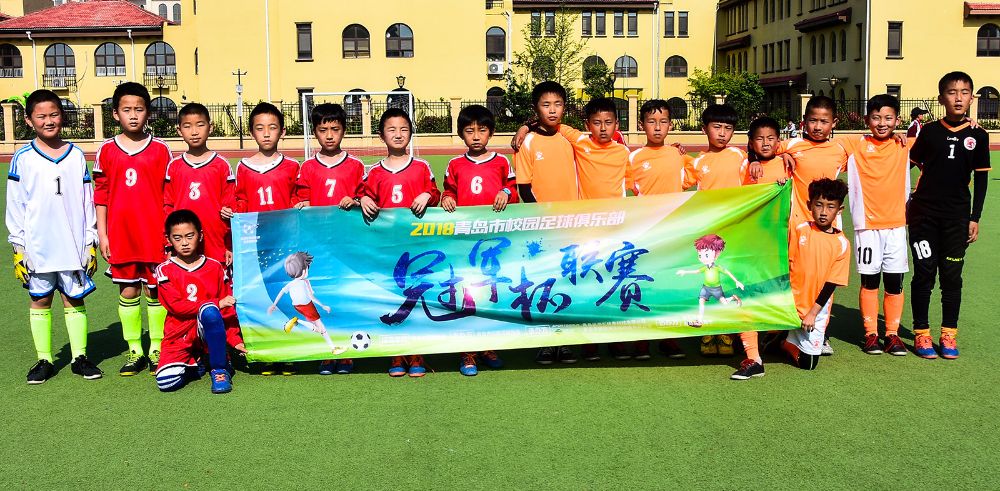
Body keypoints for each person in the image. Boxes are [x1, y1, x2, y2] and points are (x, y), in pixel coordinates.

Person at [7, 89, 103, 384]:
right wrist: (19, 246)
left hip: (72, 243)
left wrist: (90, 240)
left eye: (54, 115)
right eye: (41, 116)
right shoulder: (22, 158)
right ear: (28, 120)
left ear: (62, 116)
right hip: (38, 244)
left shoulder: (75, 155)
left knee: (73, 298)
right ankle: (44, 359)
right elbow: (15, 204)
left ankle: (79, 357)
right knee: (40, 299)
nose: (48, 121)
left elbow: (87, 201)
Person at [907, 71, 990, 359]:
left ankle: (948, 334)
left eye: (964, 92)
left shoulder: (978, 135)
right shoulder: (929, 132)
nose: (958, 98)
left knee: (952, 277)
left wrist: (975, 217)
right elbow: (906, 166)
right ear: (941, 98)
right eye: (952, 92)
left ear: (971, 98)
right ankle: (921, 333)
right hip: (923, 217)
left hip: (957, 219)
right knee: (924, 273)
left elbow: (981, 179)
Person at [94, 82, 172, 376]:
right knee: (128, 290)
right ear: (116, 114)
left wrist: (169, 236)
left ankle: (156, 348)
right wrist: (103, 235)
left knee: (155, 291)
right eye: (127, 110)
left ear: (148, 113)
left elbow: (169, 196)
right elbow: (101, 196)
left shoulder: (161, 149)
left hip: (154, 235)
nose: (133, 115)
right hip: (121, 235)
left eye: (139, 109)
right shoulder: (106, 150)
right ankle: (134, 350)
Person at [359, 108, 441, 377]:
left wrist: (428, 196)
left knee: (416, 296)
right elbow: (363, 195)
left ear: (411, 133)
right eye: (391, 129)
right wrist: (364, 199)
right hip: (387, 248)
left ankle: (417, 354)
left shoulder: (421, 167)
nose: (398, 134)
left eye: (404, 129)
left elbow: (436, 193)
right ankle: (396, 353)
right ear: (381, 135)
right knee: (391, 297)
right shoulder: (374, 172)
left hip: (417, 246)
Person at [220, 102, 300, 376]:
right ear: (252, 132)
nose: (266, 133)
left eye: (272, 128)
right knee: (260, 298)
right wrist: (230, 212)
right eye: (260, 128)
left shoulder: (292, 166)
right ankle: (266, 351)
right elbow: (240, 203)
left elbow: (298, 200)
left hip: (284, 246)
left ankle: (288, 351)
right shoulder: (243, 167)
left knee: (285, 298)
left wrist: (301, 205)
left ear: (282, 132)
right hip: (254, 247)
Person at [441, 104, 515, 376]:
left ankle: (488, 346)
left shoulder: (501, 161)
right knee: (468, 293)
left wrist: (506, 193)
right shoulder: (455, 164)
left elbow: (513, 189)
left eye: (481, 130)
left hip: (493, 244)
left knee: (491, 293)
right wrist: (447, 198)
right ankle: (467, 351)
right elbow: (448, 192)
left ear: (491, 133)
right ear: (461, 134)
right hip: (465, 245)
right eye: (469, 131)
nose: (475, 136)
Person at [294, 103, 365, 375]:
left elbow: (366, 197)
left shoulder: (356, 166)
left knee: (344, 295)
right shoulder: (308, 167)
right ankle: (327, 352)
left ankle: (347, 353)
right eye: (323, 130)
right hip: (317, 247)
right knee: (323, 294)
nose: (329, 135)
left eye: (335, 129)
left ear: (344, 130)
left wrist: (356, 201)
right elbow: (299, 200)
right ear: (314, 132)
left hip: (347, 246)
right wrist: (302, 205)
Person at [511, 81, 579, 365]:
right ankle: (545, 341)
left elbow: (605, 141)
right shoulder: (527, 142)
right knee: (544, 281)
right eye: (545, 105)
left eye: (558, 104)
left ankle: (565, 341)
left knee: (568, 281)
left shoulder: (570, 138)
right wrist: (542, 218)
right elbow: (523, 187)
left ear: (565, 107)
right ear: (535, 108)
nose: (552, 110)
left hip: (573, 224)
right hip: (542, 227)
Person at [685, 104, 756, 358]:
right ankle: (707, 334)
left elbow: (756, 178)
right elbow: (678, 182)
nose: (723, 133)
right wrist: (676, 154)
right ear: (704, 129)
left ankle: (726, 333)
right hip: (707, 233)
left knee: (725, 283)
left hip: (733, 230)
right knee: (707, 282)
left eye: (728, 128)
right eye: (717, 127)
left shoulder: (740, 157)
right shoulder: (697, 161)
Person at [624, 99, 692, 359]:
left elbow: (693, 179)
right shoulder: (634, 158)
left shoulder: (678, 156)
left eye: (663, 122)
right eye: (651, 122)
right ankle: (642, 340)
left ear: (670, 125)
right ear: (642, 125)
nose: (657, 127)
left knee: (669, 285)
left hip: (673, 231)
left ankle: (668, 338)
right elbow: (623, 192)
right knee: (644, 285)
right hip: (645, 232)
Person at [844, 94, 911, 356]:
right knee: (870, 281)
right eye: (876, 118)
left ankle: (892, 335)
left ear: (898, 120)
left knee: (895, 282)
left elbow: (940, 140)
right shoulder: (855, 144)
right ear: (866, 120)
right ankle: (870, 334)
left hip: (896, 226)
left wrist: (971, 124)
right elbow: (816, 145)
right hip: (867, 227)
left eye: (888, 118)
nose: (882, 123)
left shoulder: (904, 145)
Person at [764, 178, 851, 373]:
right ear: (809, 205)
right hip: (789, 304)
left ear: (840, 210)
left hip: (815, 310)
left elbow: (831, 284)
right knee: (765, 347)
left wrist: (812, 314)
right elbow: (784, 260)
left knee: (808, 364)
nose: (823, 212)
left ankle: (784, 342)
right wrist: (779, 188)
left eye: (830, 207)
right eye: (819, 205)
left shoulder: (842, 244)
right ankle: (780, 332)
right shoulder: (800, 229)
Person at [154, 210, 245, 394]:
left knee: (210, 311)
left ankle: (220, 368)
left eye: (190, 236)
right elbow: (176, 306)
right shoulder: (164, 270)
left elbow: (227, 310)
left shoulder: (215, 267)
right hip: (180, 333)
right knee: (166, 382)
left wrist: (235, 340)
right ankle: (197, 363)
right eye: (177, 238)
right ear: (168, 239)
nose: (184, 243)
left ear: (200, 235)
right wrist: (216, 303)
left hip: (209, 327)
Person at [163, 103, 235, 266]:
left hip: (216, 243)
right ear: (179, 130)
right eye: (187, 126)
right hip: (183, 244)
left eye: (200, 125)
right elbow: (168, 207)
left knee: (217, 279)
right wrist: (168, 244)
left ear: (210, 127)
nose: (194, 132)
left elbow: (231, 208)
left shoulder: (221, 165)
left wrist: (229, 244)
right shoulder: (174, 166)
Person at [745, 116, 790, 185]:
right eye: (759, 139)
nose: (765, 144)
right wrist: (753, 160)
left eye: (770, 139)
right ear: (751, 143)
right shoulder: (744, 165)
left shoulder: (788, 165)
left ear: (778, 142)